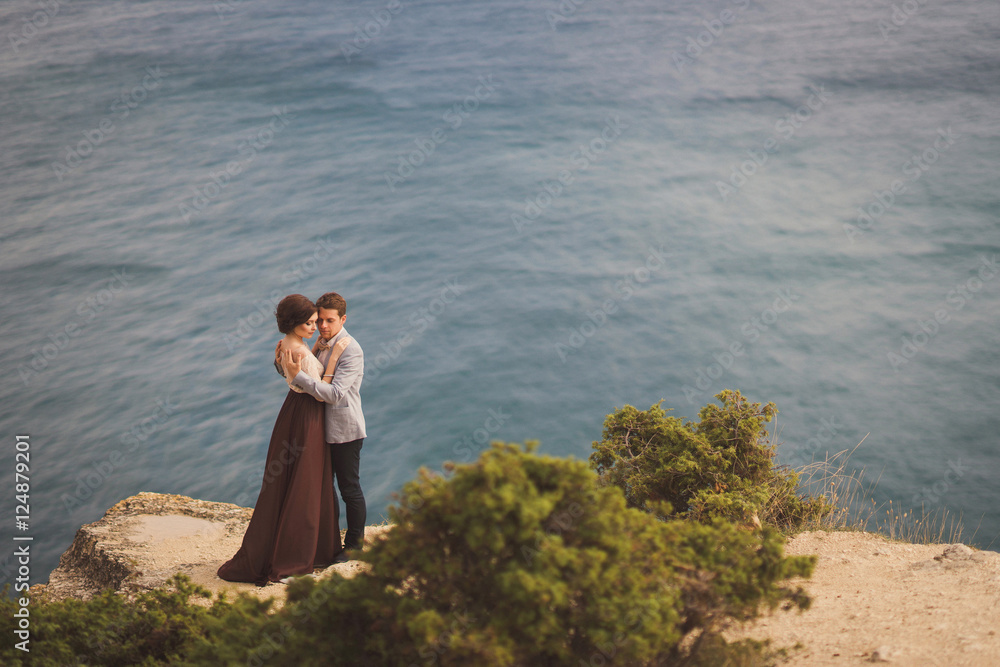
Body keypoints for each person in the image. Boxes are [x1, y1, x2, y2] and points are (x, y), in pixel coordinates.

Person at [217, 294, 350, 585]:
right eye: (310, 322)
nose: (316, 327)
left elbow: (295, 377)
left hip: (295, 413)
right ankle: (292, 560)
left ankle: (302, 551)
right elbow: (316, 388)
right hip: (307, 417)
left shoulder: (289, 345)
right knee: (305, 484)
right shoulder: (298, 352)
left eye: (317, 321)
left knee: (296, 482)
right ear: (294, 323)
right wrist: (333, 359)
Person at [280, 291, 367, 557]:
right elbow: (306, 373)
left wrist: (299, 377)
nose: (323, 326)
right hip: (317, 428)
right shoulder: (319, 343)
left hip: (344, 430)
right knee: (320, 488)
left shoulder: (351, 350)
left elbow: (336, 394)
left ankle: (354, 547)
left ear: (343, 319)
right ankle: (323, 544)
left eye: (330, 321)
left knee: (348, 488)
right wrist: (284, 362)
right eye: (320, 321)